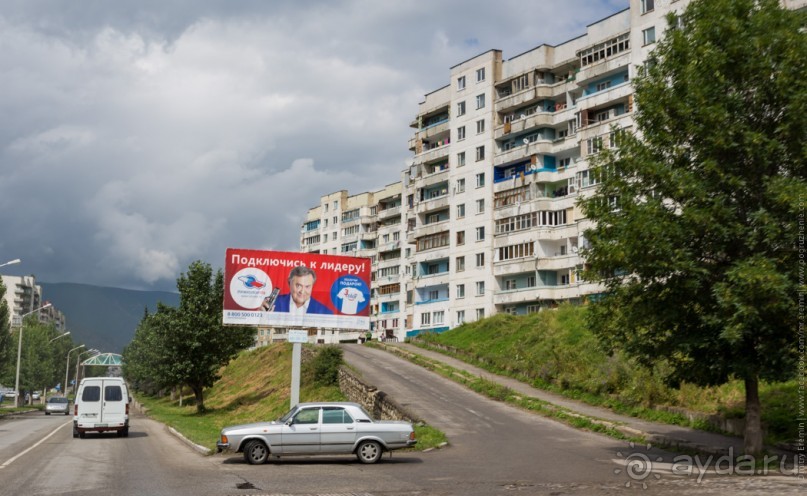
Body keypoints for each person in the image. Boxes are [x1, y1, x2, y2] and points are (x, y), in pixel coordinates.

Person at [265, 266, 332, 315]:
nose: (302, 291)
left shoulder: (326, 312)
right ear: (289, 283)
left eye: (307, 286)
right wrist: (261, 316)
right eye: (298, 286)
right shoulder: (272, 304)